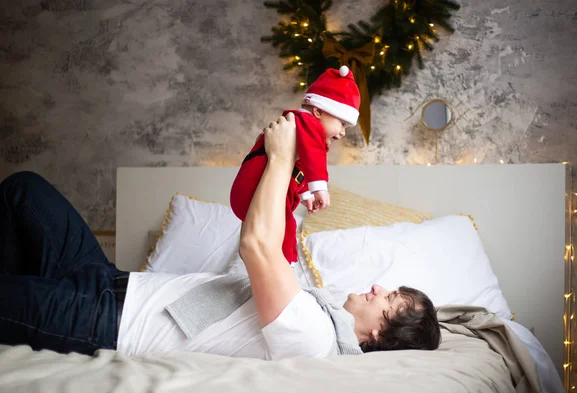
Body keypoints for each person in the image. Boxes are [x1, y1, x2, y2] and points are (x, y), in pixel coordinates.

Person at [0, 113, 440, 359]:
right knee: (24, 191)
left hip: (107, 323)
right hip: (109, 279)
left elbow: (255, 245)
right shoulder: (317, 307)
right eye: (391, 290)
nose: (379, 288)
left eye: (391, 302)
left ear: (382, 339)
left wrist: (282, 157)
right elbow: (272, 237)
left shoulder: (313, 339)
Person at [230, 66, 359, 264]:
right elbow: (313, 159)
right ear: (318, 111)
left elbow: (301, 168)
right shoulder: (306, 122)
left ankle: (284, 262)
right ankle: (283, 264)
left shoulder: (304, 130)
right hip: (252, 189)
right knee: (286, 225)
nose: (342, 133)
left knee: (287, 222)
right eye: (342, 124)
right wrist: (319, 189)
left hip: (258, 194)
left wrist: (305, 194)